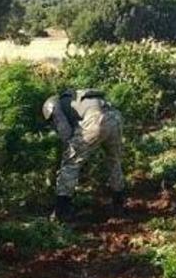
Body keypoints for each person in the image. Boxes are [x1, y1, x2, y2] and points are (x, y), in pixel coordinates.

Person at [42, 88, 125, 221]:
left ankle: (61, 210)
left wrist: (69, 153)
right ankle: (119, 203)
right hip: (115, 117)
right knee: (114, 161)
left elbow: (66, 134)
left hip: (96, 119)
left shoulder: (55, 107)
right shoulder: (74, 98)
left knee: (70, 163)